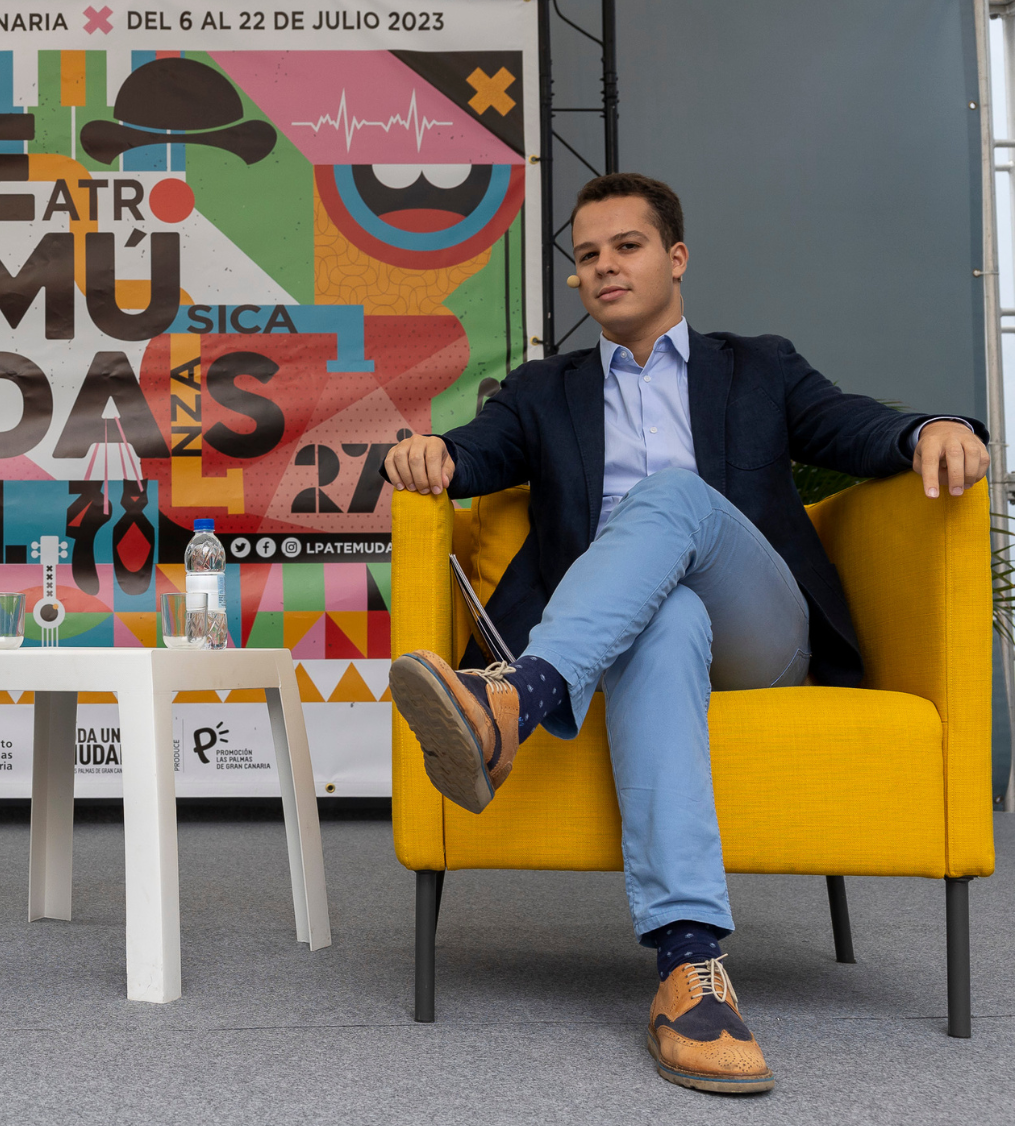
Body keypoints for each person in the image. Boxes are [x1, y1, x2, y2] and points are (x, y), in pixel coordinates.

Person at [383, 172, 988, 1095]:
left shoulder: (760, 366)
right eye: (586, 257)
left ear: (675, 257)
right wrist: (434, 454)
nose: (603, 268)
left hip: (760, 639)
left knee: (671, 495)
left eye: (625, 247)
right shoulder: (545, 391)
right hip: (631, 646)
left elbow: (853, 425)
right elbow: (476, 454)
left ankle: (518, 699)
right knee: (663, 618)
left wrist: (930, 428)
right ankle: (688, 968)